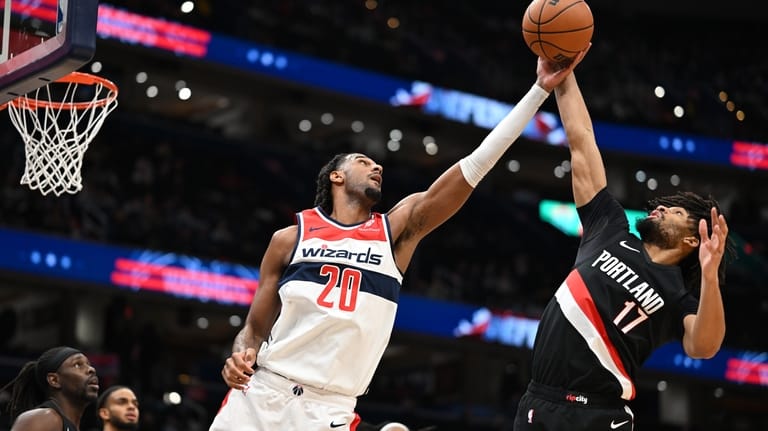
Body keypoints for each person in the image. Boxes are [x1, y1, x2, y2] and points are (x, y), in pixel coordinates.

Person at [208, 54, 587, 431]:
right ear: (336, 178)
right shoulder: (289, 238)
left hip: (327, 410)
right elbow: (254, 329)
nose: (378, 167)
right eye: (362, 161)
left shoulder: (395, 232)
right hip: (261, 395)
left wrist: (539, 91)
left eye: (377, 164)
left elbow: (474, 166)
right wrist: (240, 353)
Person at [513, 52, 735, 430]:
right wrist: (563, 76)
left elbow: (704, 346)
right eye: (664, 205)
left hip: (600, 415)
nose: (661, 208)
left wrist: (710, 276)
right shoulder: (609, 227)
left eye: (675, 212)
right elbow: (582, 143)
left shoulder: (679, 295)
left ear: (691, 239)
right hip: (539, 400)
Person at [1, 346, 99, 431]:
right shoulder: (45, 417)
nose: (91, 369)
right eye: (77, 364)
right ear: (54, 380)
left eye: (88, 364)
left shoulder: (66, 424)